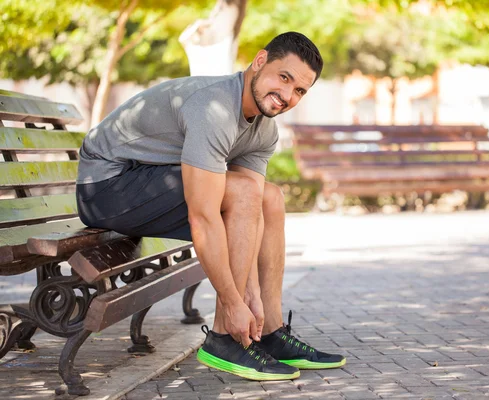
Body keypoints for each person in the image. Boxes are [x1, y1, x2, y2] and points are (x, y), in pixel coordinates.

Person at [75, 32, 345, 381]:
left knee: (269, 198)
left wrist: (252, 295)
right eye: (284, 77)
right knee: (245, 193)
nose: (287, 96)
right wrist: (235, 303)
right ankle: (222, 337)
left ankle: (270, 332)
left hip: (150, 182)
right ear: (260, 61)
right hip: (107, 187)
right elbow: (203, 217)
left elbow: (250, 213)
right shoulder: (213, 107)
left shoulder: (264, 131)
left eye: (299, 91)